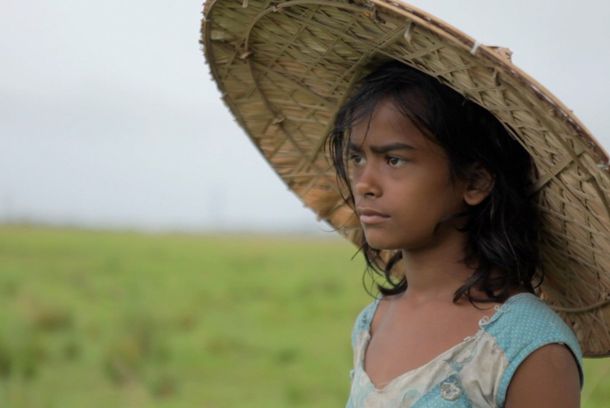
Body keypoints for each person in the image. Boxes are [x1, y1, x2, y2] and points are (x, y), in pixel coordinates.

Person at [326, 61, 582, 407]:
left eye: (394, 160)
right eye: (357, 158)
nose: (365, 184)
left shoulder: (527, 347)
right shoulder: (373, 322)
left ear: (475, 181)